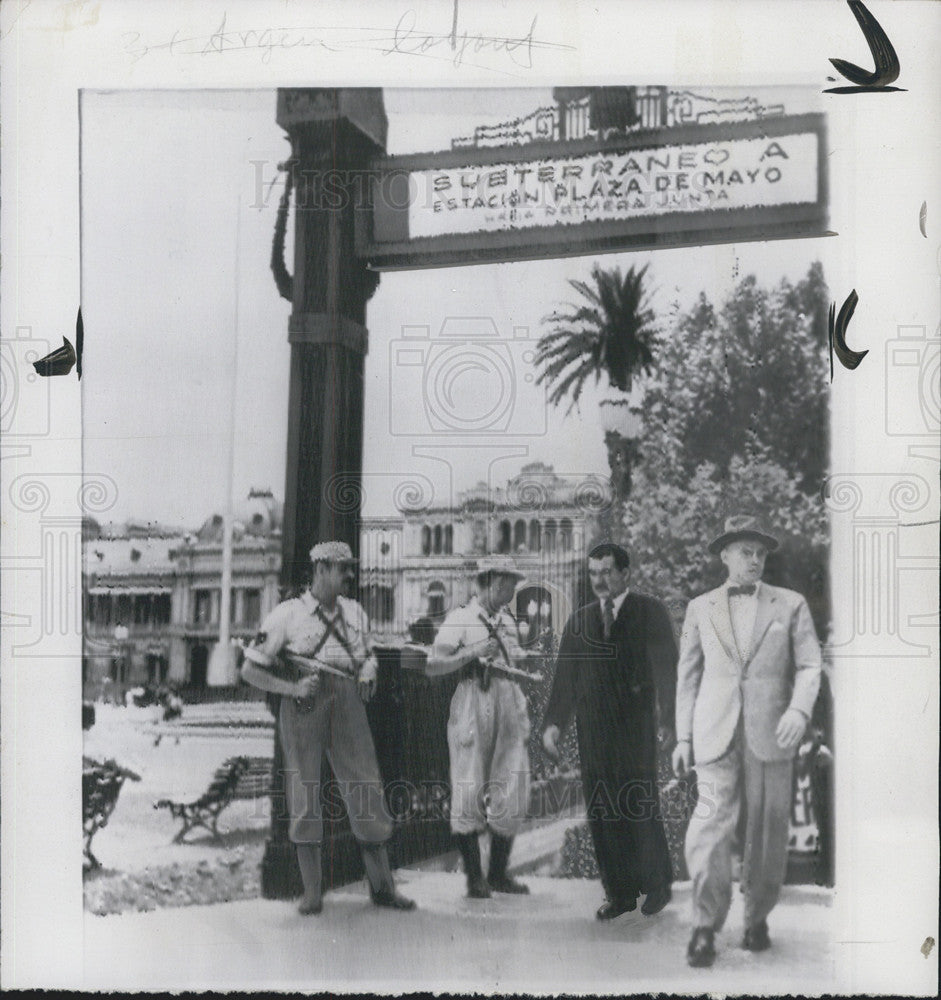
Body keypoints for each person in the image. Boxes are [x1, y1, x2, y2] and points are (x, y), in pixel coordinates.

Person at [673, 515, 822, 968]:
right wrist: (683, 737)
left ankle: (757, 916)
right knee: (708, 828)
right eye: (745, 551)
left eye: (760, 553)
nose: (754, 560)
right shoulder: (700, 608)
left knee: (768, 829)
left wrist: (798, 710)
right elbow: (688, 676)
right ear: (725, 555)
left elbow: (810, 665)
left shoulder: (791, 605)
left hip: (772, 730)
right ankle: (704, 925)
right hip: (714, 732)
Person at [240, 540, 415, 916]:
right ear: (320, 569)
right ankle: (312, 893)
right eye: (342, 568)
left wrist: (369, 670)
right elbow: (250, 668)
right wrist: (291, 688)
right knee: (304, 788)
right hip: (305, 702)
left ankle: (383, 888)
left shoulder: (355, 612)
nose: (349, 575)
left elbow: (367, 654)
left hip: (349, 702)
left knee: (367, 787)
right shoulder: (287, 614)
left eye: (350, 567)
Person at [542, 542, 677, 921]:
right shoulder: (579, 622)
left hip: (636, 728)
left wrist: (668, 721)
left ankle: (657, 885)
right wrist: (553, 724)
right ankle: (619, 893)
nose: (599, 580)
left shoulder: (650, 613)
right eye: (593, 573)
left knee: (638, 803)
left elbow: (668, 673)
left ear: (625, 573)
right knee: (601, 810)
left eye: (606, 572)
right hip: (593, 732)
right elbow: (564, 681)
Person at [427, 555, 533, 898]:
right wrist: (472, 652)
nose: (513, 588)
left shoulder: (508, 622)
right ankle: (475, 878)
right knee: (469, 784)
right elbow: (434, 664)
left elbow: (512, 659)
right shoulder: (461, 619)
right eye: (509, 582)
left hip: (506, 698)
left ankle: (498, 873)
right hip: (473, 700)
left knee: (512, 783)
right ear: (492, 581)